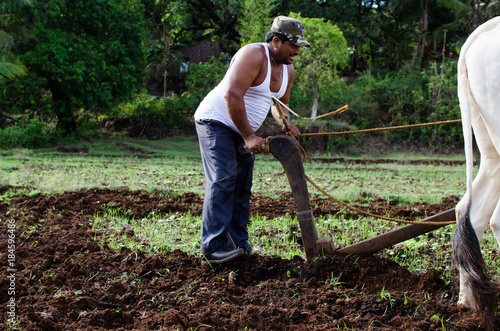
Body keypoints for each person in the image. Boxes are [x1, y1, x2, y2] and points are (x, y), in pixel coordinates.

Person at [194, 16, 310, 265]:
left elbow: (280, 106)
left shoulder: (288, 68)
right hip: (216, 122)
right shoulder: (254, 54)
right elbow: (232, 95)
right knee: (224, 178)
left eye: (299, 47)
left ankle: (239, 243)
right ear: (276, 41)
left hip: (241, 128)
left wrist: (286, 124)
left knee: (242, 186)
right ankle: (214, 247)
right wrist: (249, 136)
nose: (297, 52)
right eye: (293, 45)